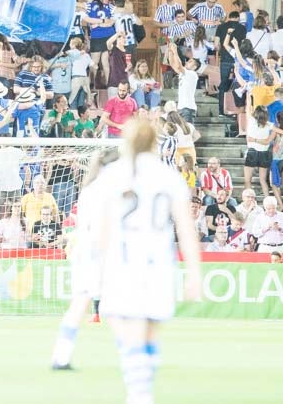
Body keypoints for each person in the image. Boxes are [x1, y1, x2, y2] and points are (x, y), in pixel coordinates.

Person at [52, 118, 202, 390]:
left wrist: (97, 257)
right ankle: (143, 386)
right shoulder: (168, 176)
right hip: (158, 261)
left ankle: (138, 390)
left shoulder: (113, 176)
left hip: (124, 259)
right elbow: (186, 230)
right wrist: (194, 273)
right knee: (149, 333)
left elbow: (103, 227)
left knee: (124, 327)